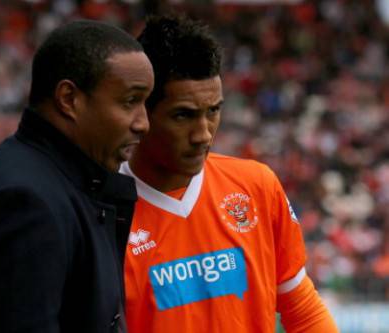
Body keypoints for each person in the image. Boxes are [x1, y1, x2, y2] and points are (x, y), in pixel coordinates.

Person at [121, 15, 338, 333]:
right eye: (183, 115)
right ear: (141, 111)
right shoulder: (101, 209)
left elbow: (303, 309)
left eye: (213, 111)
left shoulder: (255, 186)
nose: (203, 134)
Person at [0, 20, 153, 332]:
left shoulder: (55, 179)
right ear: (68, 99)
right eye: (129, 101)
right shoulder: (24, 203)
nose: (143, 123)